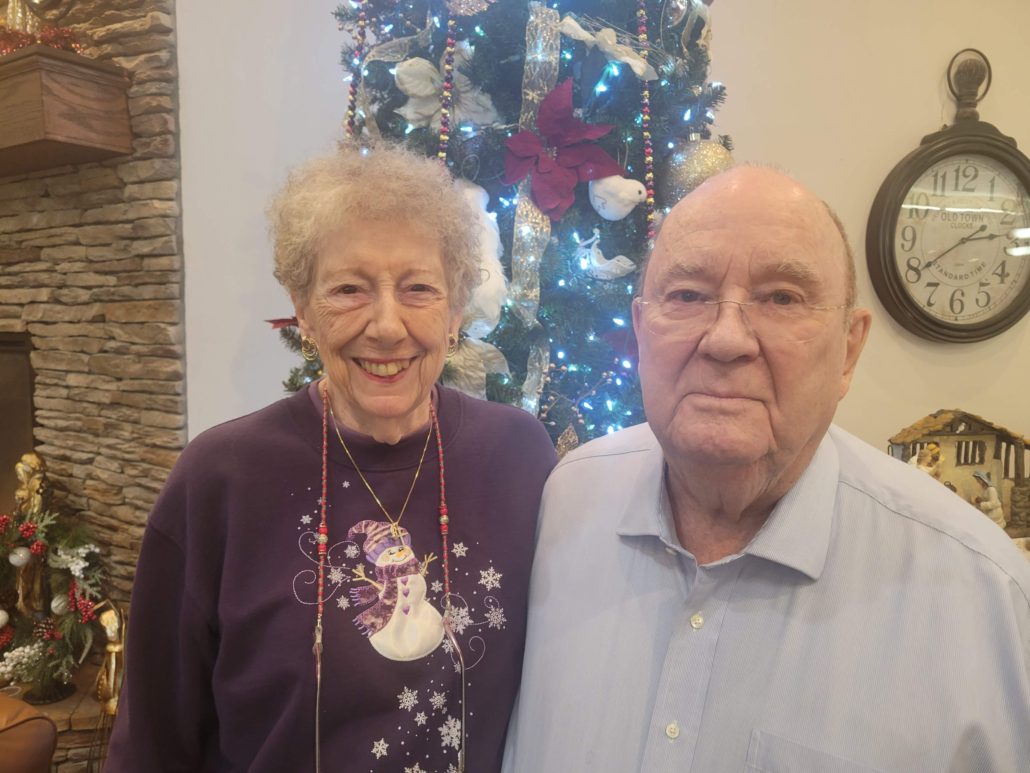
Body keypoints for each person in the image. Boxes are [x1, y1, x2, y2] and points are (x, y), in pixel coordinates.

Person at [504, 166, 1030, 772]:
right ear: (642, 331)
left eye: (782, 298)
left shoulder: (983, 599)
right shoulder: (565, 503)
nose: (726, 339)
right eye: (688, 295)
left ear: (849, 348)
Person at [106, 143, 557, 773]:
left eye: (418, 288)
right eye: (348, 289)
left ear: (455, 311)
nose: (387, 326)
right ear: (303, 311)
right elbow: (153, 742)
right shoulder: (220, 479)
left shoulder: (519, 457)